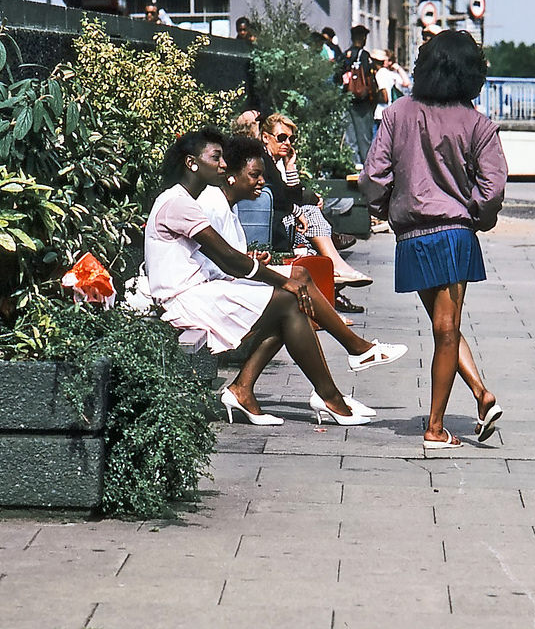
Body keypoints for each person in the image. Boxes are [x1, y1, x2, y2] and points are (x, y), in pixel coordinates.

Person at [145, 128, 370, 426]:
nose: (223, 165)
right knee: (289, 299)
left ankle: (248, 390)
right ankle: (331, 392)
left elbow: (223, 258)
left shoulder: (184, 200)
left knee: (288, 308)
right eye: (216, 158)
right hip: (183, 301)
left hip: (198, 293)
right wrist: (279, 279)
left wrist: (258, 268)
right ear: (191, 163)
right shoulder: (179, 203)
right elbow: (226, 257)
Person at [361, 30, 507, 450]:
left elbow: (374, 175)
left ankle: (481, 394)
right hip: (452, 233)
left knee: (443, 326)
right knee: (447, 329)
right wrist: (476, 217)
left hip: (410, 236)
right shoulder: (477, 123)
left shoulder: (396, 113)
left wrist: (383, 207)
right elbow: (492, 187)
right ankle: (436, 428)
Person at [195, 135, 407, 405]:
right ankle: (346, 366)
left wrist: (251, 258)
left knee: (298, 288)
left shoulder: (225, 204)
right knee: (295, 292)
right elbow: (218, 262)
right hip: (210, 292)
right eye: (255, 175)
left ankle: (249, 388)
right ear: (232, 177)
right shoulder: (212, 204)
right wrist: (256, 266)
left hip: (224, 283)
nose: (262, 182)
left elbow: (224, 257)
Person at [259, 113, 372, 288]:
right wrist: (298, 211)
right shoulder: (263, 160)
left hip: (277, 221)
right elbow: (280, 197)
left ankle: (334, 276)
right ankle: (338, 266)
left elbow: (291, 197)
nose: (287, 143)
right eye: (281, 138)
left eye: (291, 139)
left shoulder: (276, 162)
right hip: (269, 225)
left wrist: (290, 166)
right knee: (310, 212)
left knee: (312, 250)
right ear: (266, 137)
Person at [341, 25, 381, 166]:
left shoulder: (345, 55)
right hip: (362, 103)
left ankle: (353, 166)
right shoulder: (364, 56)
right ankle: (367, 168)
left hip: (347, 100)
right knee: (365, 137)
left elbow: (337, 77)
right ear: (363, 38)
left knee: (350, 138)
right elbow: (369, 80)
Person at [371, 48, 411, 133]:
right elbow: (407, 83)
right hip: (390, 113)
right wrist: (399, 69)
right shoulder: (390, 74)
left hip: (380, 113)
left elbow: (384, 94)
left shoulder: (380, 74)